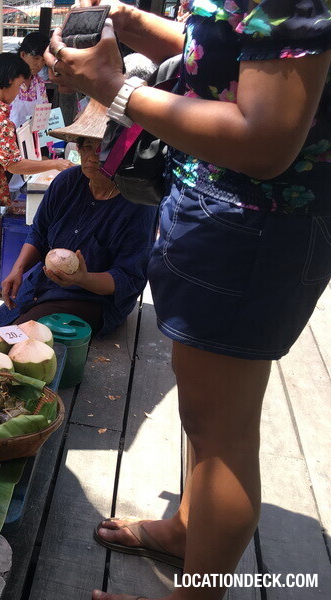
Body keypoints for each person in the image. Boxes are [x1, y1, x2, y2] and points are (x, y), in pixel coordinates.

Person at [46, 1, 331, 599]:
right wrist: (142, 30)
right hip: (220, 219)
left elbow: (266, 140)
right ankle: (186, 529)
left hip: (249, 230)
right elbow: (241, 57)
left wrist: (114, 89)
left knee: (222, 436)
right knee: (203, 419)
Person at [0, 104, 156, 336]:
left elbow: (128, 278)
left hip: (93, 299)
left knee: (21, 335)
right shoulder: (67, 182)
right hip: (43, 284)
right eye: (86, 146)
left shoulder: (138, 204)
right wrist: (17, 270)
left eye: (102, 148)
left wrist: (83, 279)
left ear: (121, 150)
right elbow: (39, 233)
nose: (92, 157)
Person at [0, 53, 71, 288]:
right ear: (8, 81)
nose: (19, 92)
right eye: (19, 85)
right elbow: (13, 164)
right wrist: (55, 163)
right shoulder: (0, 119)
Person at [8, 31, 52, 196]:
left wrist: (45, 152)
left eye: (43, 60)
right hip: (8, 144)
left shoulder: (40, 84)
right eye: (35, 59)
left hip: (32, 146)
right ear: (23, 55)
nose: (39, 64)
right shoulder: (8, 81)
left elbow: (43, 119)